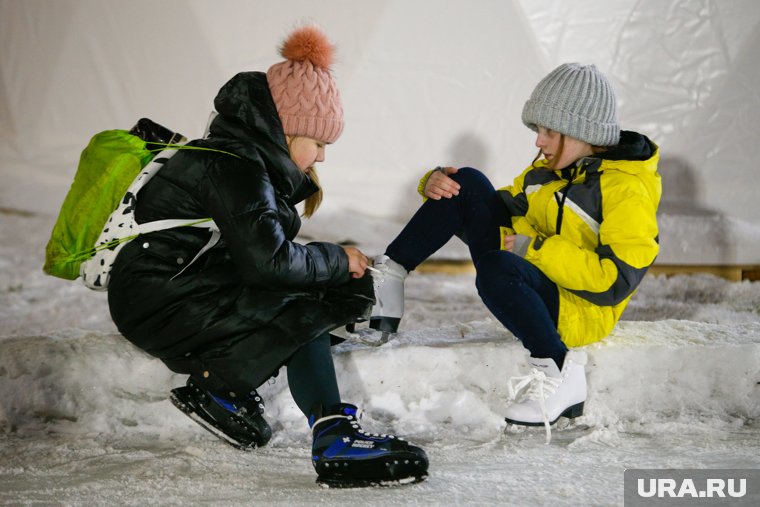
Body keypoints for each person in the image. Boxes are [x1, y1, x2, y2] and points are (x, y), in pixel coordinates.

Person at [106, 25, 427, 486]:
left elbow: (260, 257)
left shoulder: (243, 158)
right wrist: (336, 260)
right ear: (287, 127)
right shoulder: (235, 165)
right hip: (162, 299)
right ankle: (332, 435)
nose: (321, 157)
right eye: (318, 143)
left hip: (175, 289)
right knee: (303, 302)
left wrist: (339, 270)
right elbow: (271, 264)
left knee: (330, 288)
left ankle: (220, 388)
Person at [369, 63, 661, 442]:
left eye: (549, 132)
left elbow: (615, 282)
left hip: (580, 307)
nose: (538, 142)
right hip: (531, 276)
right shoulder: (546, 171)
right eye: (538, 131)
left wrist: (535, 249)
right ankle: (389, 277)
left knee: (496, 267)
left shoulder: (626, 190)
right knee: (466, 182)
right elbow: (497, 209)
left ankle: (557, 370)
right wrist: (438, 185)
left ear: (583, 132)